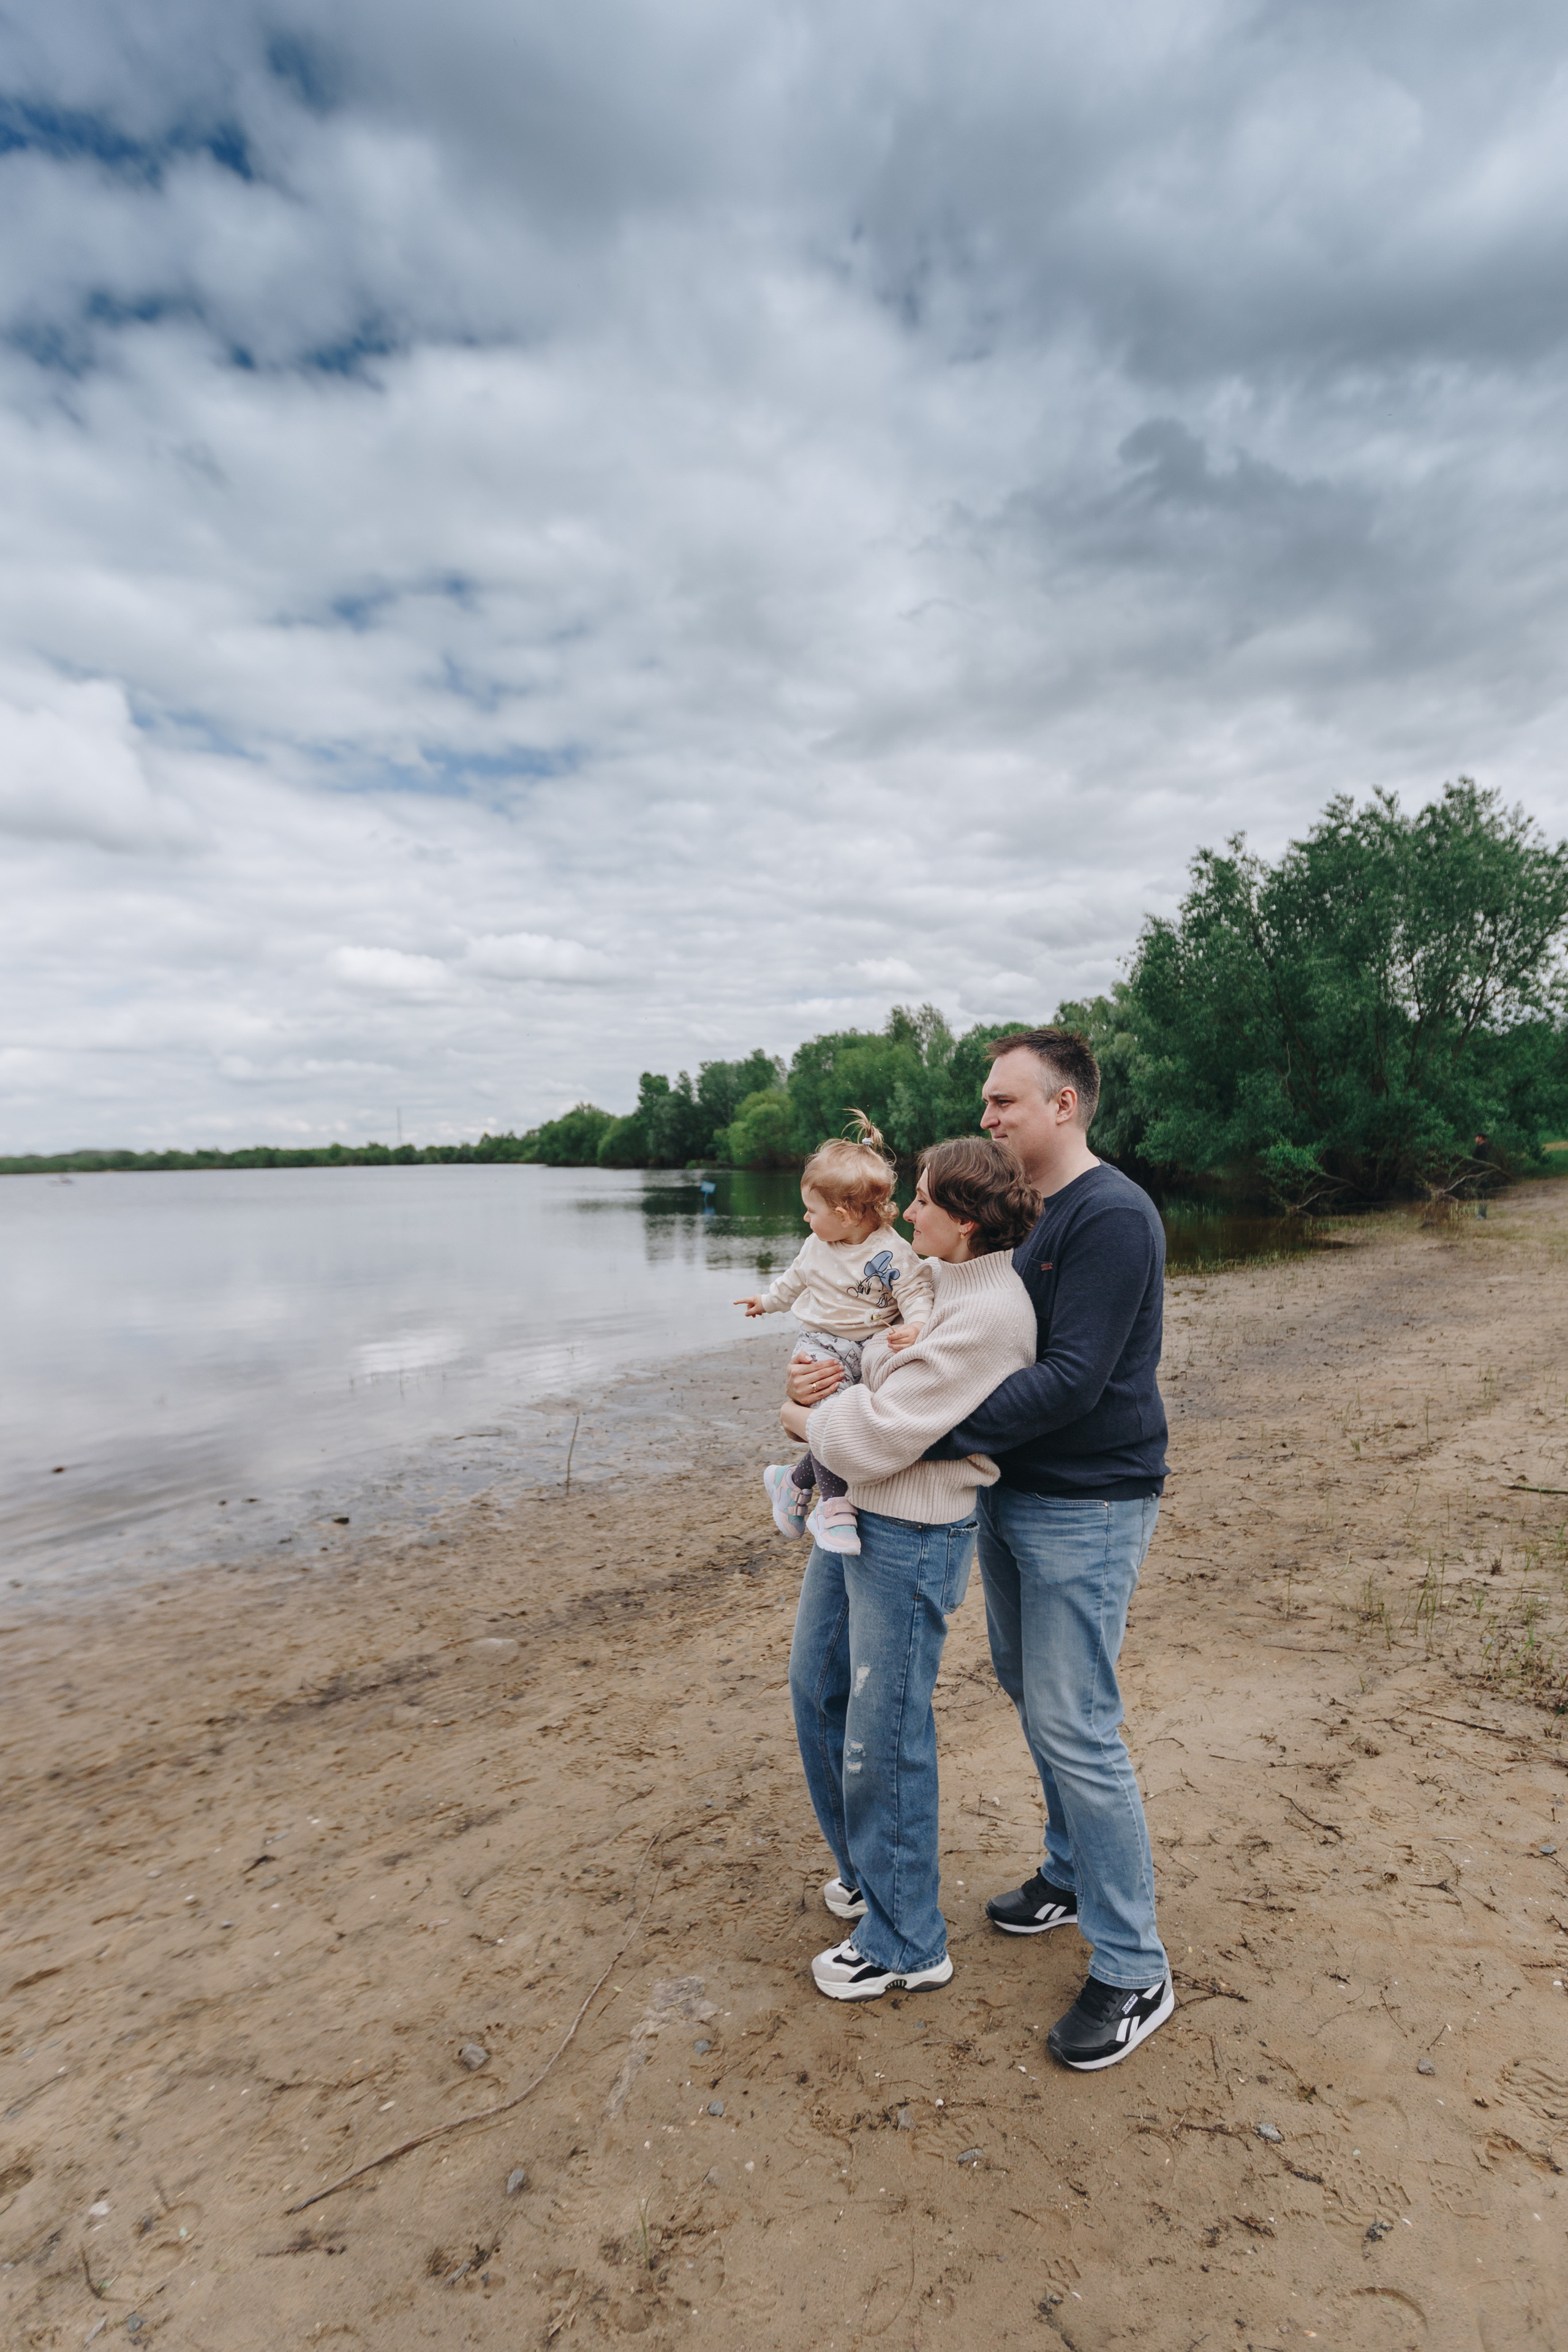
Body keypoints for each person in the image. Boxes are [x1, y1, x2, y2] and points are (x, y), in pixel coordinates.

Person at [788, 1030, 1174, 2069]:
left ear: (1065, 1105)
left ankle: (1135, 1968)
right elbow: (957, 1320)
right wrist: (889, 1365)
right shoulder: (1024, 1221)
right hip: (1016, 1490)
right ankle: (1067, 1873)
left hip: (1090, 1500)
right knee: (1024, 1687)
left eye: (1006, 1100)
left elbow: (1072, 1381)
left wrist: (910, 1431)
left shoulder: (1113, 1215)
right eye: (989, 1103)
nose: (991, 1115)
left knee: (1077, 1721)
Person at [780, 1137, 1039, 2002]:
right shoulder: (942, 1288)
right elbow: (881, 1384)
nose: (904, 1213)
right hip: (859, 1516)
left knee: (884, 1731)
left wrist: (803, 1414)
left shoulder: (992, 1312)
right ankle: (870, 1878)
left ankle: (907, 1943)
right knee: (817, 1688)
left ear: (963, 1222)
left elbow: (879, 1435)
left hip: (913, 1532)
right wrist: (836, 1371)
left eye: (921, 1200)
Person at [734, 1115, 933, 1556]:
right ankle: (835, 1507)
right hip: (820, 1342)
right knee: (831, 1414)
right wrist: (765, 1302)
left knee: (847, 1422)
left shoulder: (890, 1251)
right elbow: (792, 1281)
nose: (806, 1218)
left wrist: (917, 1325)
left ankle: (793, 1481)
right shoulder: (815, 1247)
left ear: (843, 1215)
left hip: (868, 1348)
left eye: (812, 1211)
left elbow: (916, 1291)